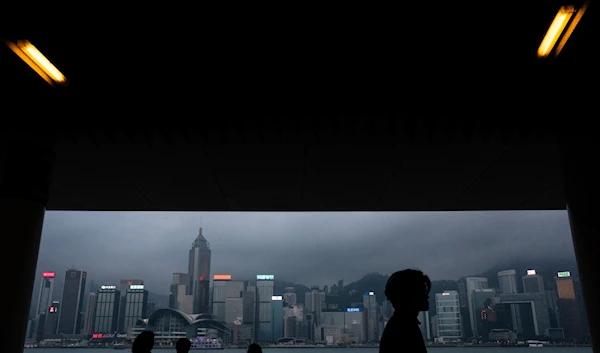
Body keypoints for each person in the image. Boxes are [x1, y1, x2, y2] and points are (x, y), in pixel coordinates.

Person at [379, 269, 431, 353]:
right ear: (409, 295)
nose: (427, 296)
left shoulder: (400, 324)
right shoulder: (405, 328)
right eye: (422, 292)